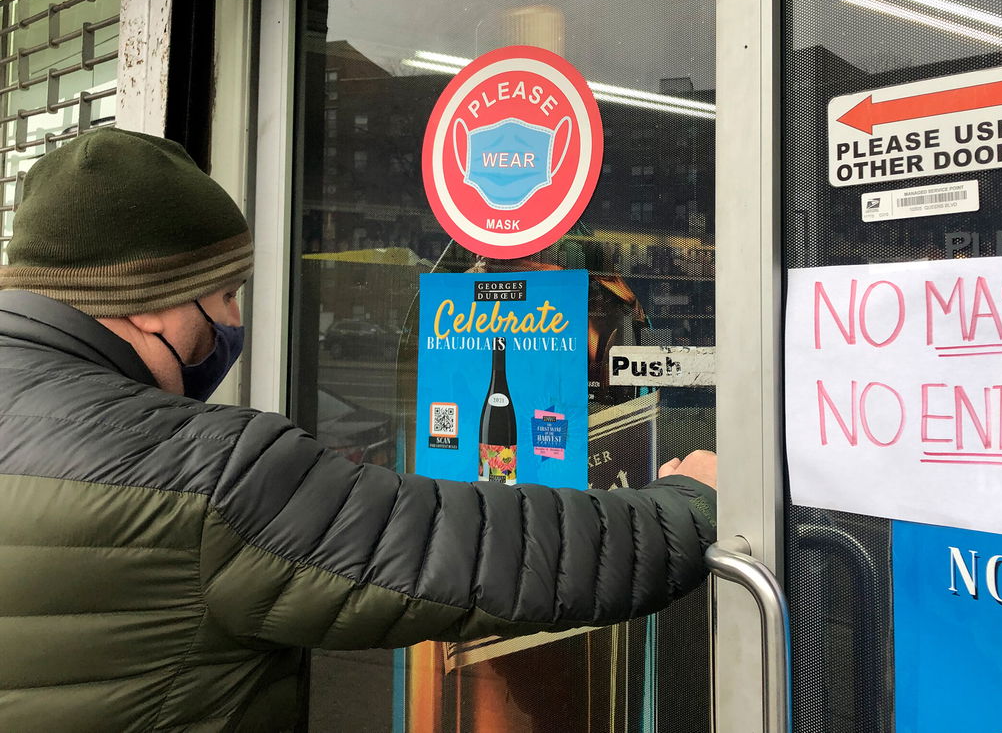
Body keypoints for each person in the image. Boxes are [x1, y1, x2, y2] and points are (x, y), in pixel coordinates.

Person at [0, 129, 717, 732]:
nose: (235, 323)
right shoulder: (200, 472)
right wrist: (691, 503)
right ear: (149, 303)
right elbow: (494, 554)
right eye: (223, 294)